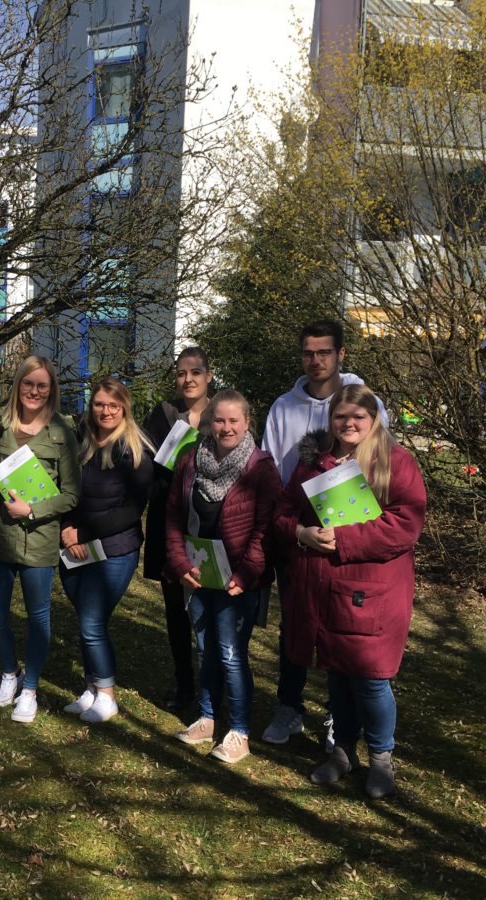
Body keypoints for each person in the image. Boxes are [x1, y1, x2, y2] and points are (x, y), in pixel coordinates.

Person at [273, 385, 425, 798]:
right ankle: (342, 751)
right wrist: (301, 532)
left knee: (371, 678)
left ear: (374, 419)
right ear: (331, 419)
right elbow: (283, 511)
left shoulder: (394, 463)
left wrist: (344, 538)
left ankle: (381, 756)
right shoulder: (314, 462)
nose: (349, 423)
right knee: (337, 673)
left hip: (371, 592)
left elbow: (404, 526)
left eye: (358, 416)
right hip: (322, 586)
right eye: (341, 416)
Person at [260, 319, 388, 747]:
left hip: (350, 543)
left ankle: (338, 717)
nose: (316, 361)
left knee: (341, 628)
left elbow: (381, 466)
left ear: (341, 355)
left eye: (325, 352)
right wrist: (292, 530)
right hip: (298, 537)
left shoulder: (366, 402)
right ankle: (289, 707)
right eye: (308, 353)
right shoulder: (283, 407)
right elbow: (274, 470)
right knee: (294, 626)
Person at [163, 391, 282, 763]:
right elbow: (172, 517)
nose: (226, 427)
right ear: (209, 422)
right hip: (199, 574)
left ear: (247, 423)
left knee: (231, 653)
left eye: (234, 420)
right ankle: (208, 717)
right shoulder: (190, 460)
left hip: (239, 578)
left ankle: (240, 731)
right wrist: (180, 562)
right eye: (219, 420)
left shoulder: (261, 467)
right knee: (204, 649)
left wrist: (248, 573)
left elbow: (267, 528)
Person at [0, 356, 80, 723]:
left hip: (39, 539)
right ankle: (10, 672)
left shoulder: (62, 432)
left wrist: (34, 510)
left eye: (42, 385)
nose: (35, 391)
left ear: (51, 389)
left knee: (39, 618)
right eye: (28, 384)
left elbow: (72, 494)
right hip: (1, 538)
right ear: (17, 385)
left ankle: (31, 688)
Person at [59, 378, 154, 724]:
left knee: (92, 621)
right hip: (73, 545)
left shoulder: (136, 449)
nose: (106, 411)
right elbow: (64, 488)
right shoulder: (80, 439)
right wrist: (67, 529)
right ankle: (91, 687)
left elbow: (131, 510)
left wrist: (83, 532)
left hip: (115, 549)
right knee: (85, 617)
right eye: (99, 404)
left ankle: (108, 696)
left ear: (124, 408)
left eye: (113, 405)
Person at [143, 347, 214, 710]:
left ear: (209, 375)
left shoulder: (223, 414)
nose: (188, 379)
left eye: (195, 372)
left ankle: (212, 689)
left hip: (211, 527)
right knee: (175, 610)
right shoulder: (164, 414)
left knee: (212, 608)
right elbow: (148, 467)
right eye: (181, 373)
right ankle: (184, 685)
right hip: (168, 522)